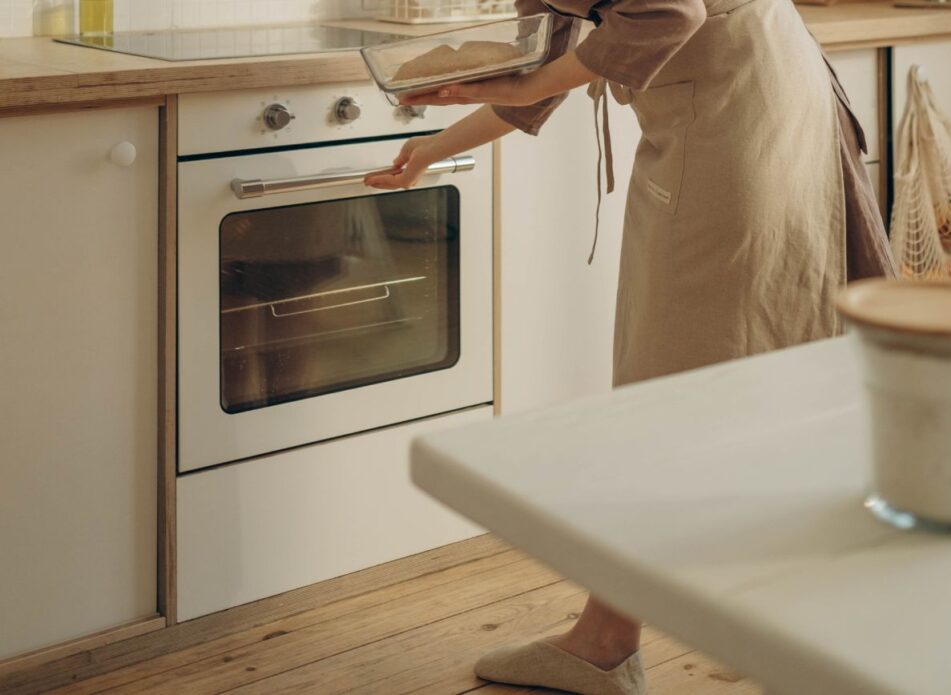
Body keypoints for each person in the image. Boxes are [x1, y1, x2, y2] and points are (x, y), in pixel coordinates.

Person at [367, 0, 895, 692]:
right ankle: (614, 635)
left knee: (679, 391)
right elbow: (548, 58)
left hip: (734, 119)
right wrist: (434, 146)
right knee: (699, 380)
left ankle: (663, 637)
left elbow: (666, 15)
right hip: (741, 103)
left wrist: (524, 85)